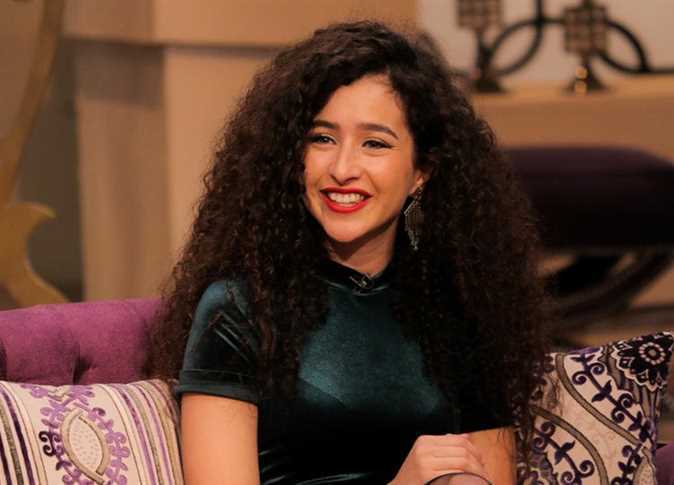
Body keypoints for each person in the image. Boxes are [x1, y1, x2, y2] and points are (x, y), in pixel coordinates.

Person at [147, 20, 551, 485]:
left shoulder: (460, 307)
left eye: (374, 143)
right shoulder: (238, 307)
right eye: (322, 138)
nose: (342, 168)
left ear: (421, 171)